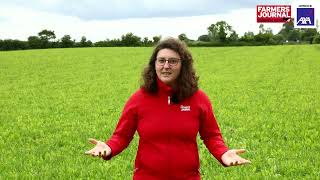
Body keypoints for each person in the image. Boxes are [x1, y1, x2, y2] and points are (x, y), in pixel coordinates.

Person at [85, 38, 250, 179]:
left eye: (173, 61)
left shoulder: (199, 99)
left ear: (183, 65)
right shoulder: (138, 99)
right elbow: (121, 135)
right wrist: (108, 148)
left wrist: (223, 154)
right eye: (161, 60)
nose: (166, 66)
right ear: (154, 64)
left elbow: (212, 135)